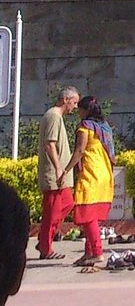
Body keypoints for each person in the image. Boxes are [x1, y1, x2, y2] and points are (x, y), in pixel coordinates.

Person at [61, 95, 114, 266]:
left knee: (88, 215)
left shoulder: (85, 127)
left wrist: (66, 170)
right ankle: (88, 253)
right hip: (104, 173)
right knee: (91, 216)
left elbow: (79, 151)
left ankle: (97, 253)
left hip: (91, 174)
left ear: (85, 111)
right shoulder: (104, 127)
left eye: (80, 110)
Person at [36, 86, 78, 260]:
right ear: (65, 100)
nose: (75, 107)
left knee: (67, 203)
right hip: (54, 175)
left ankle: (44, 239)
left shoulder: (56, 116)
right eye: (74, 102)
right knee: (52, 212)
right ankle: (46, 247)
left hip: (60, 176)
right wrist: (58, 168)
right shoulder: (53, 116)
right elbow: (50, 144)